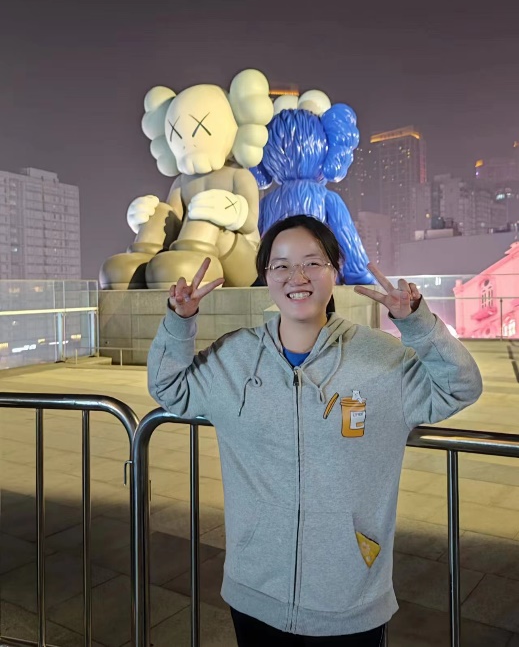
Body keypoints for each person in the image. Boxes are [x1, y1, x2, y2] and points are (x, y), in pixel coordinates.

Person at [148, 215, 482, 646]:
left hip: (349, 599)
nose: (297, 277)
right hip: (254, 590)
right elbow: (169, 387)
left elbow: (460, 386)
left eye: (312, 262)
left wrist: (417, 323)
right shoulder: (234, 356)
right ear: (265, 275)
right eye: (281, 265)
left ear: (335, 270)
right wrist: (180, 321)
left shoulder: (382, 359)